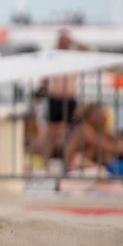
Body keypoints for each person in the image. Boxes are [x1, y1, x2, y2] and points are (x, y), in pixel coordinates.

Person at [40, 28, 89, 159]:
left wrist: (72, 41)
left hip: (69, 98)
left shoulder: (75, 56)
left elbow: (88, 49)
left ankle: (64, 160)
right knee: (51, 132)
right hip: (54, 98)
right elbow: (45, 77)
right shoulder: (53, 56)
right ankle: (47, 160)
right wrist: (41, 91)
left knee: (68, 132)